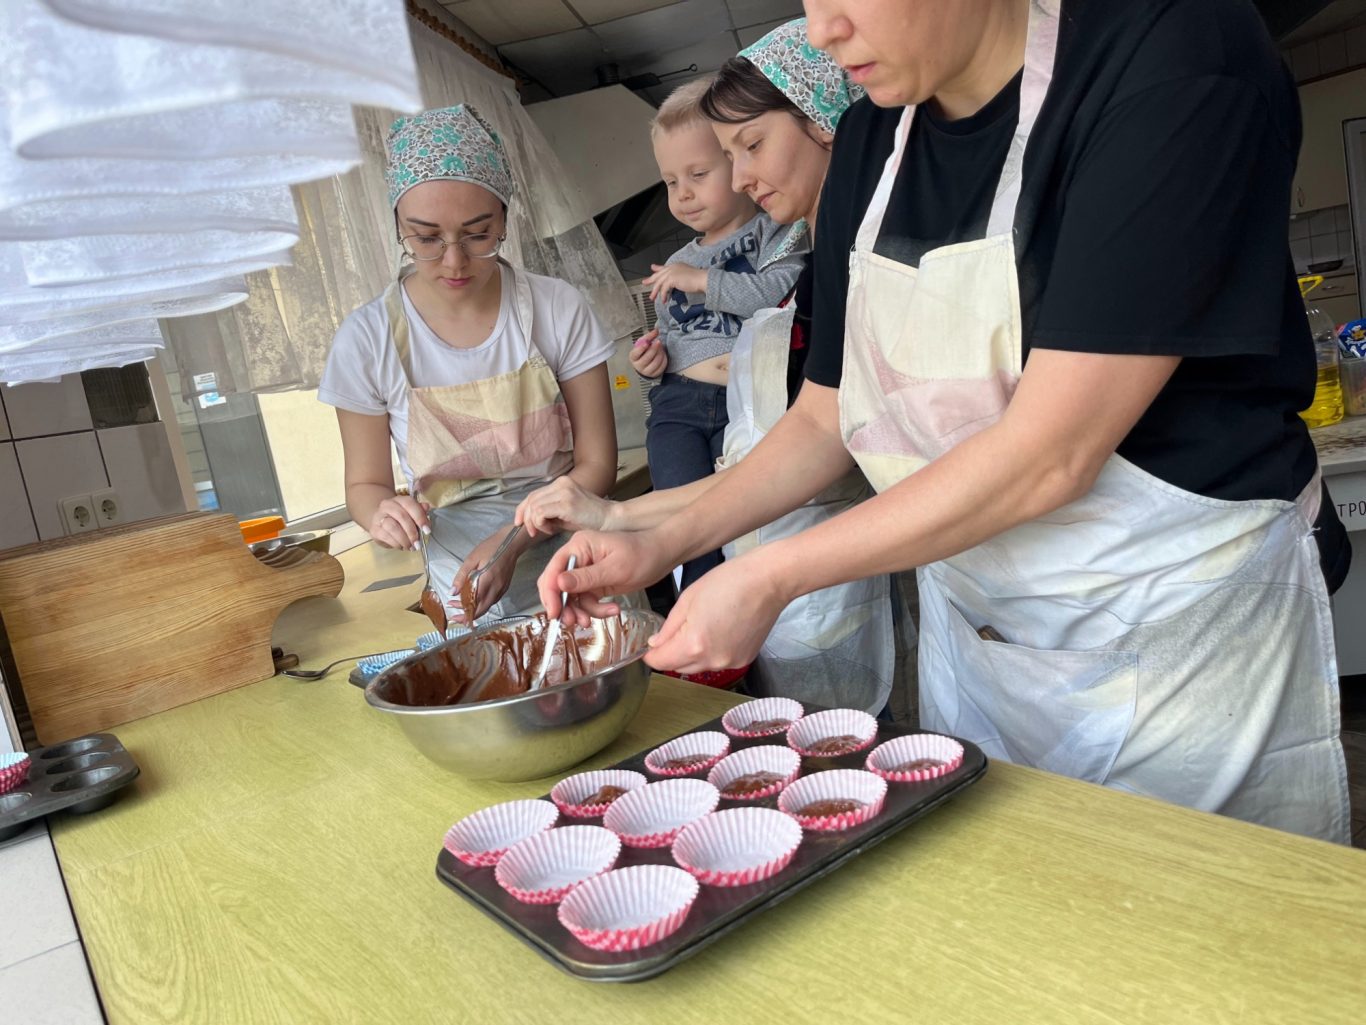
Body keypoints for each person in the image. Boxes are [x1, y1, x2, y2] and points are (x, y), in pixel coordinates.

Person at [536, 0, 1353, 843]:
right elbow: (827, 417)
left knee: (1191, 929)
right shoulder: (867, 141)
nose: (821, 29)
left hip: (1173, 634)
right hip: (983, 636)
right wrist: (659, 544)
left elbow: (1052, 452)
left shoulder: (1171, 56)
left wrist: (770, 576)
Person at [519, 21, 910, 715]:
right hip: (790, 593)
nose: (739, 177)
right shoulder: (815, 279)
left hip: (830, 588)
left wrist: (632, 519)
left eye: (750, 146)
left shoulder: (851, 272)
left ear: (826, 124)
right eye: (724, 156)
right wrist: (619, 516)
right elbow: (769, 461)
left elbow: (825, 463)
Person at [318, 104, 617, 623]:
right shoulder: (367, 339)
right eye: (427, 238)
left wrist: (514, 538)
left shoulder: (556, 308)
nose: (454, 262)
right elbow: (366, 487)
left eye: (479, 235)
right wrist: (382, 514)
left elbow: (598, 464)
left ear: (504, 217)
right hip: (459, 578)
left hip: (576, 554)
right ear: (397, 224)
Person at [632, 77, 806, 591]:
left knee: (754, 524)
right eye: (669, 181)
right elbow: (669, 330)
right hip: (680, 403)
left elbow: (781, 290)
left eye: (698, 173)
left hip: (750, 401)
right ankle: (702, 621)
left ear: (736, 161)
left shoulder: (776, 229)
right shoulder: (679, 260)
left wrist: (704, 281)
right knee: (685, 525)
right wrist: (651, 359)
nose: (682, 194)